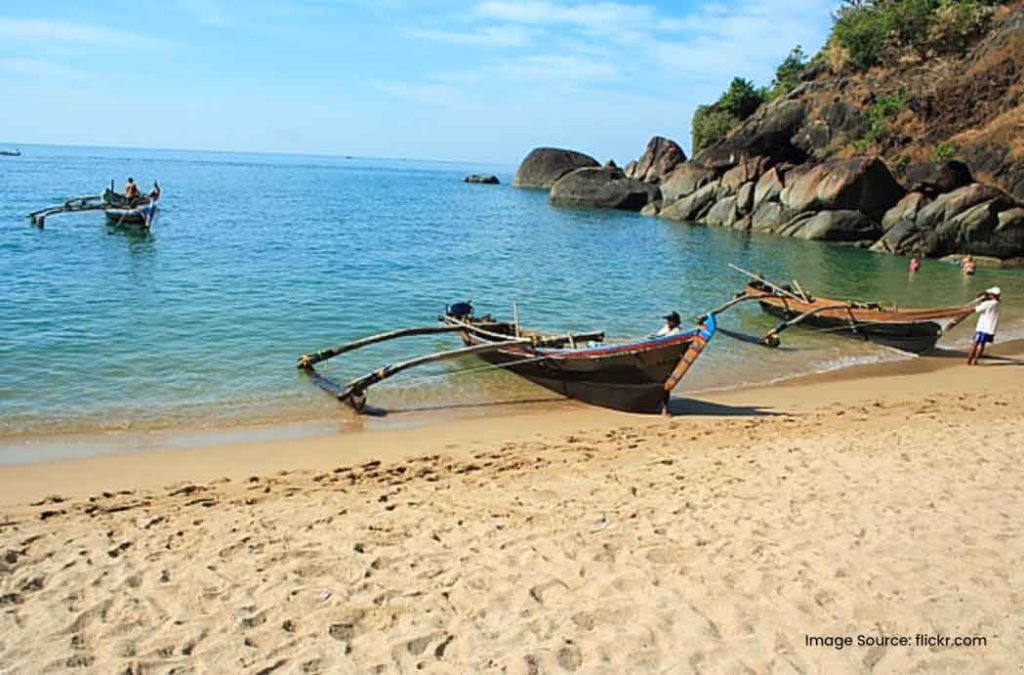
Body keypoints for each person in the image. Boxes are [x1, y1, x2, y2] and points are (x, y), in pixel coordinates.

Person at [967, 287, 1001, 365]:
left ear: (992, 295)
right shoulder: (999, 302)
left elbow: (976, 309)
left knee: (975, 343)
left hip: (983, 327)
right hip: (991, 328)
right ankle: (975, 361)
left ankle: (969, 362)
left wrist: (980, 300)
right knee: (982, 344)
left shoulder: (989, 303)